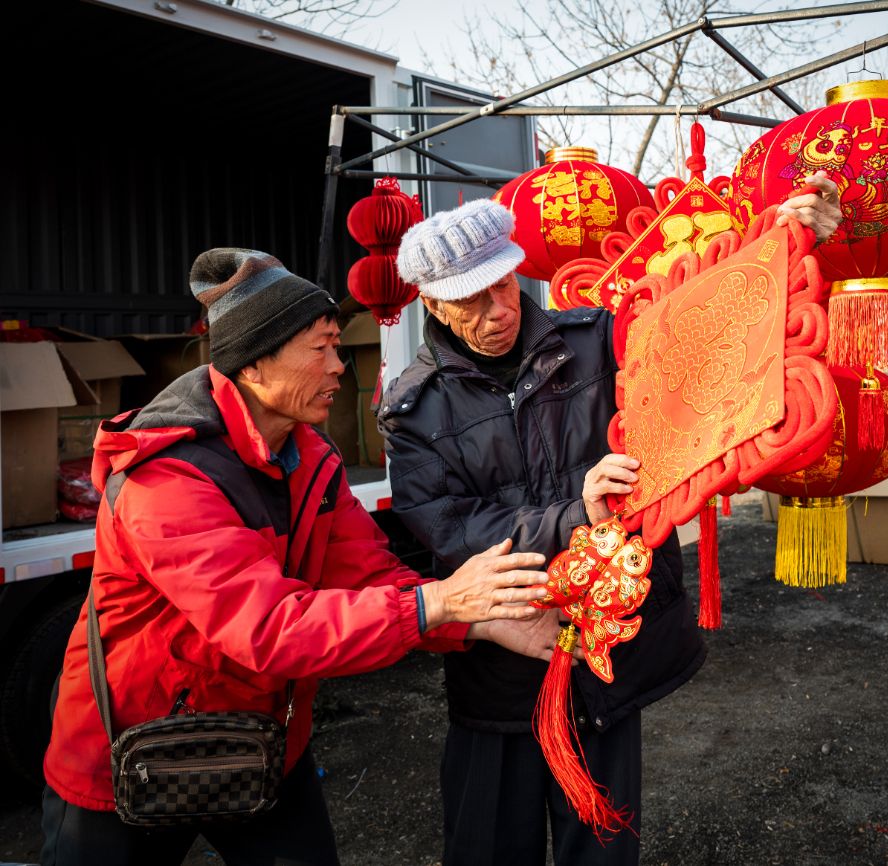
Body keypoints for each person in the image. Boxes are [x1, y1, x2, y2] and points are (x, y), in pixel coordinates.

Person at [380, 176, 843, 865]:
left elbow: (708, 330)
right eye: (468, 301)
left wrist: (784, 237)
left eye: (503, 286)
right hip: (499, 658)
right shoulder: (412, 408)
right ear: (433, 306)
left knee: (602, 845)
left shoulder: (597, 338)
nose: (494, 310)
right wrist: (576, 512)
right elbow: (444, 532)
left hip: (609, 648)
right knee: (486, 845)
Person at [40, 249, 551, 866]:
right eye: (322, 349)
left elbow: (370, 575)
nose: (340, 367)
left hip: (263, 742)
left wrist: (478, 620)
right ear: (253, 366)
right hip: (132, 752)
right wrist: (440, 600)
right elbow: (270, 626)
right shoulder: (168, 481)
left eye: (339, 346)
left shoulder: (310, 457)